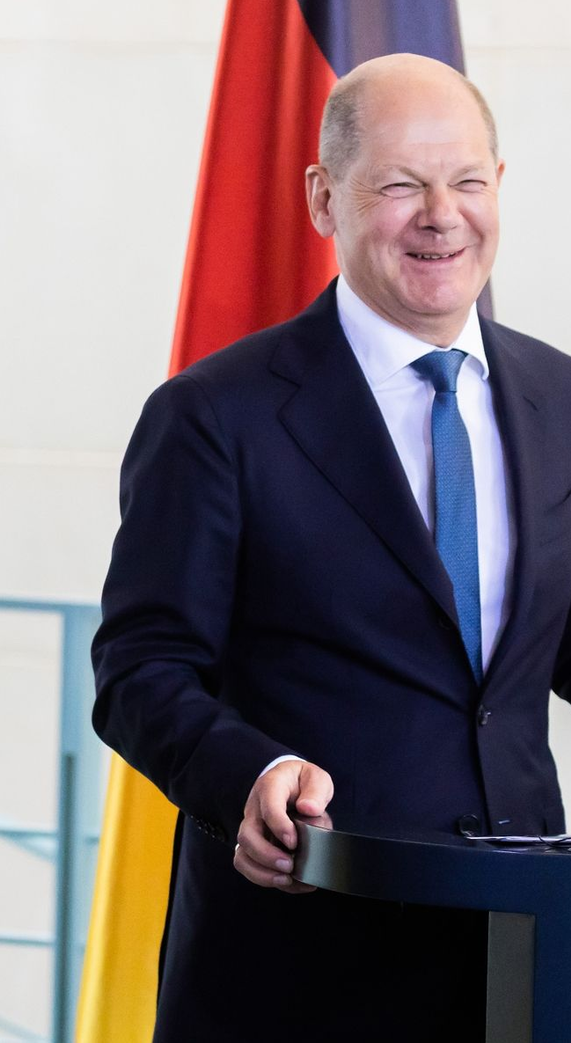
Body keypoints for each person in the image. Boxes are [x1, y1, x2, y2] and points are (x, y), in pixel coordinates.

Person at [91, 53, 571, 1041]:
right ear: (323, 198)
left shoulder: (561, 400)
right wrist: (247, 773)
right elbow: (139, 671)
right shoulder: (215, 416)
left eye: (467, 181)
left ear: (500, 188)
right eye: (401, 185)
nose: (443, 214)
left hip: (523, 957)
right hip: (302, 962)